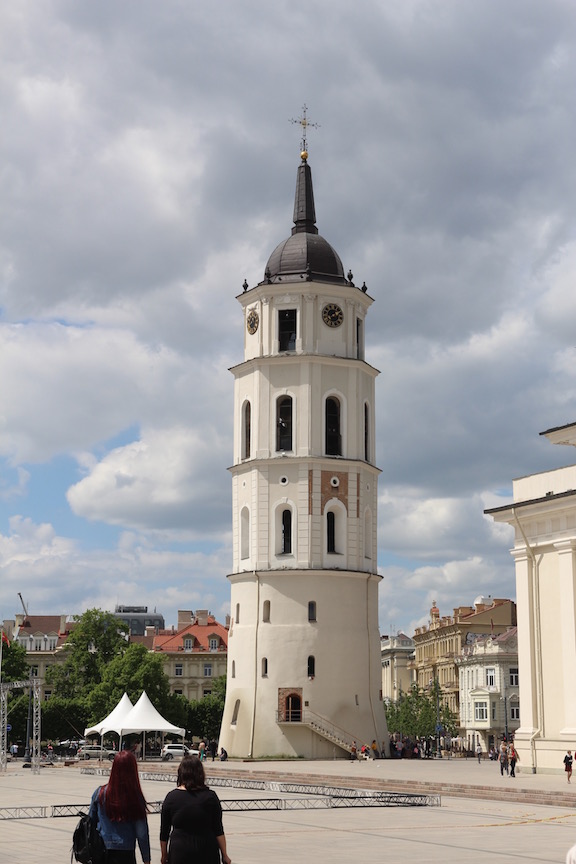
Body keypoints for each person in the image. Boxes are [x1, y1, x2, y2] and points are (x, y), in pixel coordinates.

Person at [160, 755, 231, 864]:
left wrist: (164, 855)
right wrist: (224, 855)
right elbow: (218, 829)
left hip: (180, 852)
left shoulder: (171, 797)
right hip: (207, 852)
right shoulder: (210, 797)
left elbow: (164, 832)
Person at [89, 749, 151, 864]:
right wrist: (146, 859)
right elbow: (142, 833)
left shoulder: (100, 793)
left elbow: (90, 822)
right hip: (126, 853)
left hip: (102, 851)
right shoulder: (136, 797)